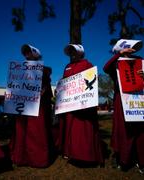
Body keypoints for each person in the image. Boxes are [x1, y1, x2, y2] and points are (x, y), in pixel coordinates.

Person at [57, 44, 104, 166]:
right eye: (71, 51)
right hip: (70, 106)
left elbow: (91, 82)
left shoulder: (87, 64)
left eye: (74, 51)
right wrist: (59, 89)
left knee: (84, 129)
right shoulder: (67, 66)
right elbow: (65, 83)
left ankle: (87, 155)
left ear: (80, 53)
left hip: (84, 107)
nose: (72, 53)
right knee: (70, 129)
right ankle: (71, 152)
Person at [103, 39, 144, 174]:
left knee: (140, 132)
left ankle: (141, 160)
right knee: (124, 131)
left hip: (139, 101)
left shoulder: (140, 60)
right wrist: (119, 54)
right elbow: (106, 67)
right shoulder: (116, 63)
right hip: (122, 102)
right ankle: (124, 159)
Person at [9, 44, 54, 168]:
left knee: (36, 131)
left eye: (29, 52)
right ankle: (21, 158)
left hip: (37, 106)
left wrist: (42, 91)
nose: (26, 54)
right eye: (25, 52)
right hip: (22, 105)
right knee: (21, 130)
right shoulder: (18, 69)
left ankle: (37, 159)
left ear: (35, 54)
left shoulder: (43, 70)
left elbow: (46, 89)